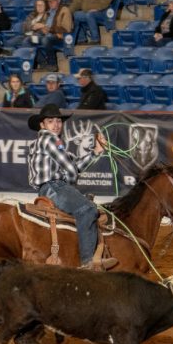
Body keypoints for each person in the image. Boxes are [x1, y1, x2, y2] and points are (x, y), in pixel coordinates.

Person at [26, 103, 116, 270]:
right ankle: (88, 262)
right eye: (51, 121)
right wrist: (72, 176)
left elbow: (73, 165)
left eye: (58, 121)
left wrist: (96, 151)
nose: (56, 124)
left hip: (48, 189)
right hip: (55, 188)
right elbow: (72, 170)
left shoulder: (42, 141)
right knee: (88, 209)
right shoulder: (50, 139)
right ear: (42, 125)